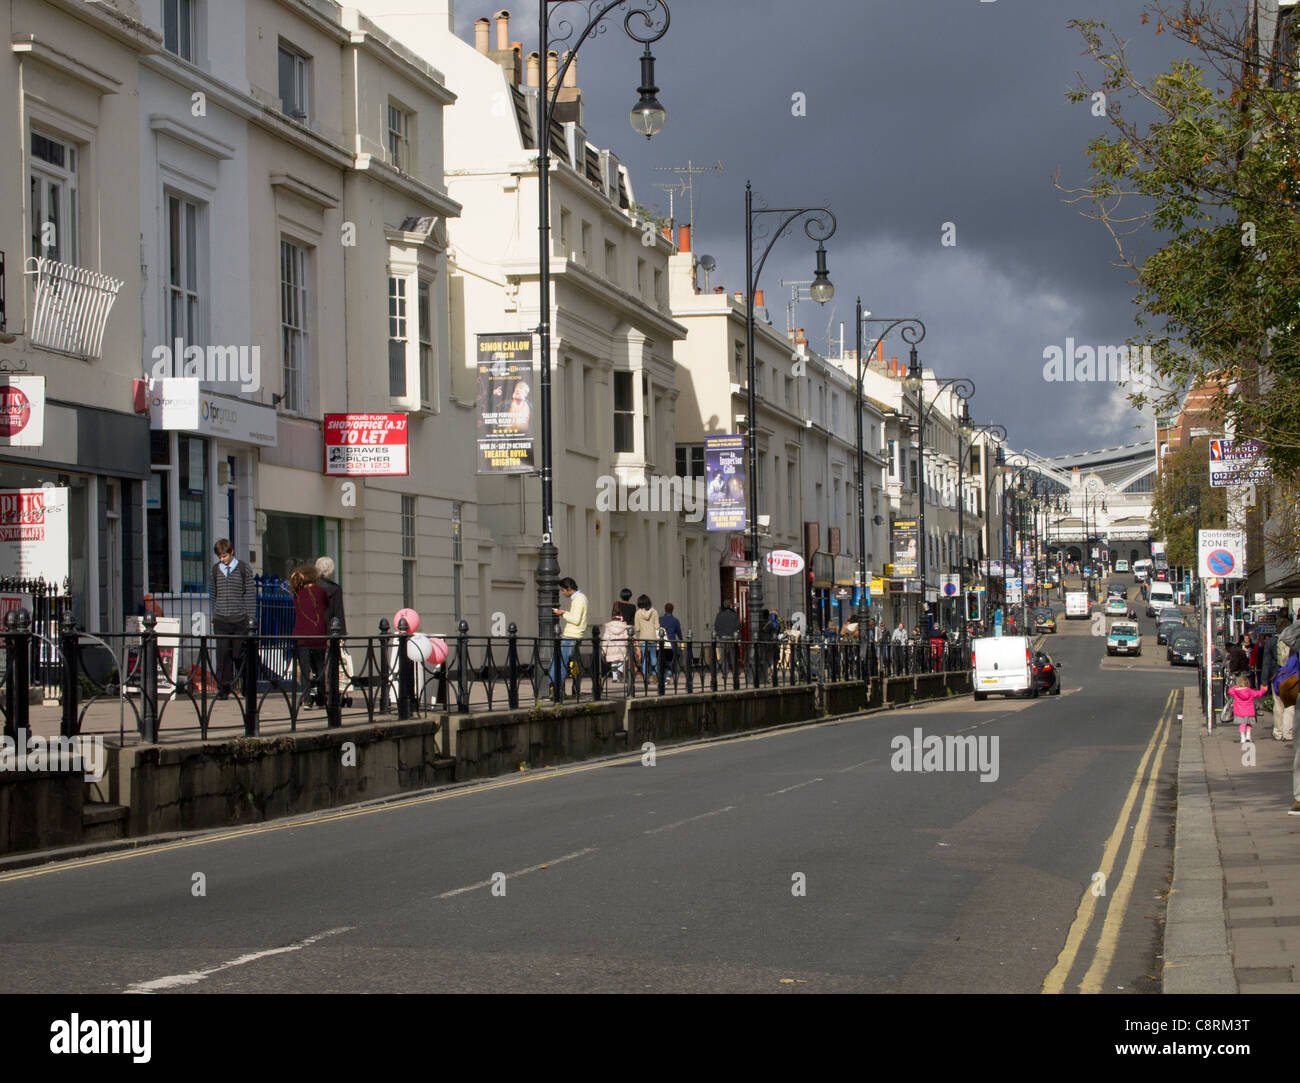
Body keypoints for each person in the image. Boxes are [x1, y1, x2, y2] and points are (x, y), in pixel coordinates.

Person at [210, 538, 256, 699]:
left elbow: (250, 595)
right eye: (220, 557)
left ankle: (246, 687)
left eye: (224, 556)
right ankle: (223, 689)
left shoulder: (243, 568)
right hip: (221, 618)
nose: (222, 559)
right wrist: (213, 615)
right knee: (223, 656)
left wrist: (251, 619)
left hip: (239, 619)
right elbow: (214, 594)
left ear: (231, 552)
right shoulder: (216, 570)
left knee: (240, 655)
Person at [289, 563, 329, 708]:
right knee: (319, 668)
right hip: (319, 635)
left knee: (305, 670)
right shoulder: (321, 591)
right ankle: (321, 699)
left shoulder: (297, 593)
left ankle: (306, 700)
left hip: (301, 636)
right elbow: (325, 606)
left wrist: (294, 579)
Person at [551, 576, 588, 693]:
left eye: (562, 590)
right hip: (575, 636)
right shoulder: (581, 598)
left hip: (571, 636)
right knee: (573, 664)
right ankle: (574, 688)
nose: (562, 593)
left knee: (560, 662)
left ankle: (556, 689)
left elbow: (576, 619)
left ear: (568, 588)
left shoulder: (579, 600)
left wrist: (562, 613)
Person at [1229, 674, 1267, 745]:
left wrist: (1236, 687)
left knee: (1242, 724)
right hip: (1249, 711)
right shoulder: (1250, 691)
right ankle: (1248, 736)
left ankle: (1242, 737)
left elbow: (1230, 691)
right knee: (1249, 724)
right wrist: (1263, 690)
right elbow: (1258, 694)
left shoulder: (1236, 692)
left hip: (1239, 712)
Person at [315, 556, 346, 635]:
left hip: (313, 631)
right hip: (330, 631)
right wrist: (342, 634)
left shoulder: (312, 587)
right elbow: (338, 613)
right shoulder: (335, 589)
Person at [600, 604, 631, 682]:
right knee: (621, 662)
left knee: (613, 662)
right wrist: (627, 645)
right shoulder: (623, 627)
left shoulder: (609, 627)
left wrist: (603, 650)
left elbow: (606, 638)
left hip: (611, 647)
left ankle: (614, 677)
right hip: (621, 647)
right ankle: (621, 673)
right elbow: (626, 637)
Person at [634, 594, 660, 678]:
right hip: (652, 637)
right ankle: (655, 675)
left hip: (643, 637)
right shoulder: (654, 611)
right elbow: (657, 626)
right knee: (653, 656)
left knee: (644, 657)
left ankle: (645, 675)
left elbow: (637, 628)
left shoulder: (637, 613)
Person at [714, 601, 740, 678]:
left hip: (722, 639)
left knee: (724, 657)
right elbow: (738, 627)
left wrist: (719, 635)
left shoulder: (719, 615)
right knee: (733, 656)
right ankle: (735, 672)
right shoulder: (734, 615)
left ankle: (725, 673)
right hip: (732, 638)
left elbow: (716, 626)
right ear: (730, 606)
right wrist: (738, 638)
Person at [659, 602, 683, 676]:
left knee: (662, 660)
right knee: (672, 659)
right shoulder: (675, 620)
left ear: (665, 609)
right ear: (672, 610)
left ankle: (662, 675)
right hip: (671, 643)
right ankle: (669, 675)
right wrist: (681, 640)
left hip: (661, 643)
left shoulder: (660, 619)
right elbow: (679, 632)